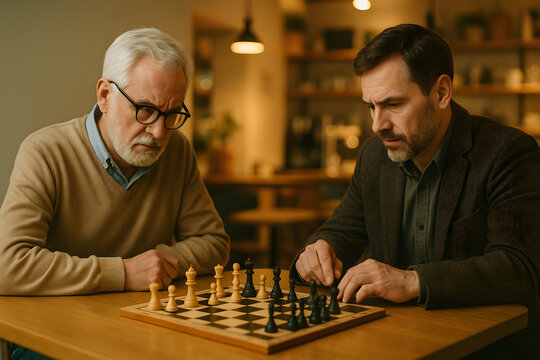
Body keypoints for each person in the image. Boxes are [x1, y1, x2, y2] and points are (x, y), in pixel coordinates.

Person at [291, 24, 539, 358]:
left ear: (441, 93)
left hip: (482, 347)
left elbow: (520, 268)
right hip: (396, 342)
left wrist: (412, 282)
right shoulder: (373, 155)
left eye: (393, 104)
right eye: (371, 106)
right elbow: (341, 231)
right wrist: (315, 252)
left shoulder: (507, 152)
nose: (377, 125)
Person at [0, 27, 230, 297]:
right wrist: (124, 272)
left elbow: (214, 243)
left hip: (139, 316)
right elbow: (7, 264)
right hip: (55, 323)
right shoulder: (45, 152)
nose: (159, 132)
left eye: (172, 113)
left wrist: (157, 264)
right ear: (105, 96)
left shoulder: (177, 151)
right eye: (145, 110)